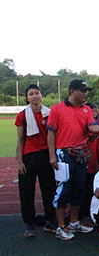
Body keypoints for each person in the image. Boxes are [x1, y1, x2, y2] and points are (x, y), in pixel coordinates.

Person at [48, 79, 99, 240]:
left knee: (79, 189)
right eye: (82, 91)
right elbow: (51, 133)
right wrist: (52, 155)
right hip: (64, 153)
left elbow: (91, 127)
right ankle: (61, 226)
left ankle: (74, 222)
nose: (85, 94)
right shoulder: (57, 109)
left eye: (85, 91)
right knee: (63, 189)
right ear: (72, 91)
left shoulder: (86, 110)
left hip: (81, 153)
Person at [15, 84, 56, 237]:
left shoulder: (49, 113)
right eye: (31, 94)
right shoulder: (22, 115)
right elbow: (20, 139)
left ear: (41, 95)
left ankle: (50, 219)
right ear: (27, 98)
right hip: (29, 156)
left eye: (37, 93)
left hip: (46, 155)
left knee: (49, 189)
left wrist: (53, 156)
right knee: (26, 191)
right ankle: (29, 223)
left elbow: (54, 135)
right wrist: (20, 161)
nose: (34, 96)